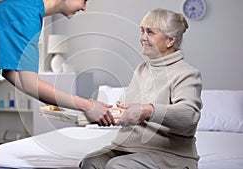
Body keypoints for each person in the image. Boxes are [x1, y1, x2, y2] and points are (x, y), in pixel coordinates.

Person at [0, 0, 116, 168]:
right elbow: (29, 83)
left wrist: (71, 104)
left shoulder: (27, 8)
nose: (84, 7)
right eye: (84, 0)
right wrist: (87, 105)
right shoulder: (27, 14)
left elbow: (12, 74)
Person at [80, 8, 203, 169]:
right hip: (126, 148)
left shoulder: (186, 73)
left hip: (168, 154)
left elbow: (189, 116)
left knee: (117, 166)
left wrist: (148, 111)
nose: (142, 38)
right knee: (91, 161)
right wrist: (102, 111)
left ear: (170, 40)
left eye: (150, 32)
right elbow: (126, 109)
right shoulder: (142, 69)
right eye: (142, 31)